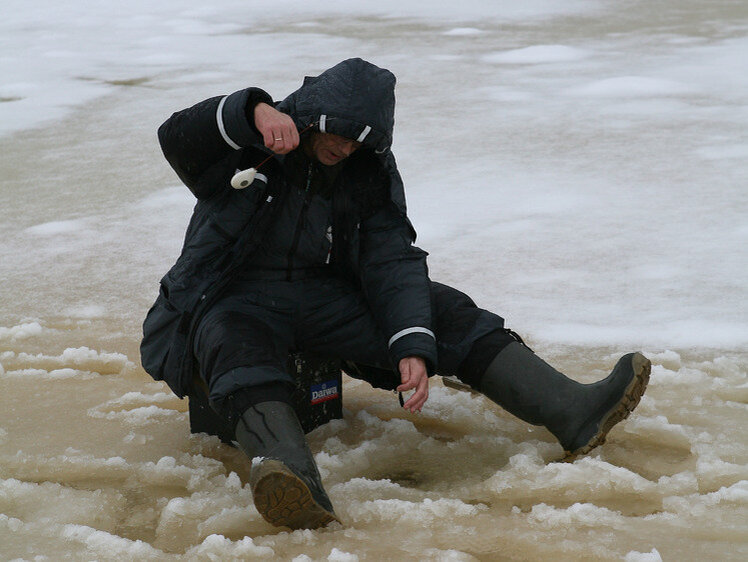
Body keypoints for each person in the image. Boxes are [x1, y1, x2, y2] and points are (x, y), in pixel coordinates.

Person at [140, 58, 651, 530]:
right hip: (231, 296)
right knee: (237, 345)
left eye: (359, 143)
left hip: (322, 298)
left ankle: (573, 411)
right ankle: (290, 479)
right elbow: (175, 138)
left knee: (441, 310)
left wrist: (412, 343)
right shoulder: (249, 145)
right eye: (340, 135)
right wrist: (250, 109)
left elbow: (390, 257)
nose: (345, 149)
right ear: (316, 117)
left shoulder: (365, 172)